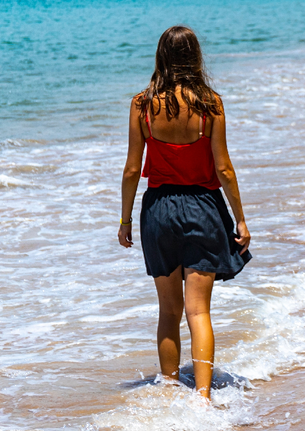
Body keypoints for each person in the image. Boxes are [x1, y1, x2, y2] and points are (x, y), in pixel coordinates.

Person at [118, 25, 252, 401]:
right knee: (198, 312)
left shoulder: (142, 105)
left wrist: (125, 219)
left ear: (161, 56)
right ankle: (204, 399)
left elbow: (131, 170)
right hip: (203, 208)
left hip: (159, 210)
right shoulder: (211, 104)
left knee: (168, 312)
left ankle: (170, 391)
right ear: (195, 58)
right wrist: (240, 218)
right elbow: (224, 168)